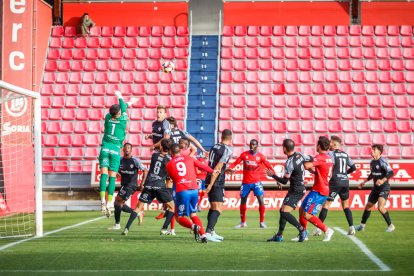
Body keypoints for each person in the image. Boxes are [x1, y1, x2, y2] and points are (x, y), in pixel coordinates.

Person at [122, 139, 175, 236]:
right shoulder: (169, 160)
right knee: (172, 207)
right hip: (159, 186)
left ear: (161, 147)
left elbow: (156, 153)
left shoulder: (154, 155)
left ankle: (126, 228)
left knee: (138, 208)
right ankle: (164, 229)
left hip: (149, 185)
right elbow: (170, 176)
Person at [166, 143, 217, 243]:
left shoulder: (169, 164)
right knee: (193, 214)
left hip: (182, 190)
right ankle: (203, 236)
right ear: (180, 151)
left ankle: (193, 227)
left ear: (170, 152)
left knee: (179, 217)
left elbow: (173, 179)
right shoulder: (190, 158)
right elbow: (201, 166)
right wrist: (213, 171)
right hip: (194, 190)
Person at [99, 91, 136, 217]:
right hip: (115, 150)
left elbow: (122, 108)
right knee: (112, 177)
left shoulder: (108, 117)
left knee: (104, 175)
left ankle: (102, 201)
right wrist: (120, 96)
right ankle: (109, 203)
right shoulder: (123, 120)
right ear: (119, 113)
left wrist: (128, 102)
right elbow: (123, 108)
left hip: (104, 149)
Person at [265, 139, 311, 243]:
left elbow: (285, 181)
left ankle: (302, 229)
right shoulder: (300, 155)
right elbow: (311, 158)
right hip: (296, 188)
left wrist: (273, 176)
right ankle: (279, 235)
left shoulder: (289, 162)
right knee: (282, 210)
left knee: (284, 212)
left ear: (285, 148)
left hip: (297, 190)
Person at [313, 136, 357, 236]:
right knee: (346, 206)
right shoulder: (345, 154)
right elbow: (353, 167)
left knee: (326, 205)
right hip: (345, 182)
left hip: (335, 182)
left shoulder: (331, 154)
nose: (329, 145)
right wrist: (345, 173)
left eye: (331, 143)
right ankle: (352, 228)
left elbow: (327, 165)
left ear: (335, 144)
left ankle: (318, 229)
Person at [227, 139, 274, 229]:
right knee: (243, 200)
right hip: (245, 183)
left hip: (256, 182)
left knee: (261, 200)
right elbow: (235, 163)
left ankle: (262, 222)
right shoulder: (244, 155)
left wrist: (277, 178)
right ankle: (243, 222)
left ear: (257, 145)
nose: (252, 146)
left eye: (254, 144)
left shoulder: (261, 157)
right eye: (251, 144)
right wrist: (228, 169)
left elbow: (269, 166)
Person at [298, 136, 335, 242]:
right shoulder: (327, 158)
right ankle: (303, 234)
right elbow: (317, 170)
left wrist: (302, 159)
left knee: (307, 214)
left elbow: (307, 165)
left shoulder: (320, 157)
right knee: (302, 209)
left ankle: (327, 230)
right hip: (317, 189)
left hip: (320, 191)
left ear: (318, 146)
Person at [355, 144, 395, 232]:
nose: (372, 151)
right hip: (376, 188)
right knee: (368, 206)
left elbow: (391, 172)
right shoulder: (372, 162)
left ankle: (391, 225)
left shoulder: (382, 161)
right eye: (372, 149)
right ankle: (362, 226)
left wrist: (382, 180)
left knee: (380, 207)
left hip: (384, 187)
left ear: (379, 152)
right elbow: (372, 174)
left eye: (374, 150)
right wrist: (364, 182)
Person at [109, 143, 148, 230]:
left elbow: (145, 171)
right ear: (123, 149)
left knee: (117, 202)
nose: (127, 149)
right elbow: (116, 170)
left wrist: (142, 184)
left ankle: (117, 225)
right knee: (119, 204)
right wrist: (117, 173)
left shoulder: (135, 161)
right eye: (125, 147)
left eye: (129, 148)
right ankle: (138, 212)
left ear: (131, 150)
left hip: (131, 185)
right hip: (124, 185)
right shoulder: (120, 160)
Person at [204, 129, 233, 242]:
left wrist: (225, 169)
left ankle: (211, 231)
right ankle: (208, 232)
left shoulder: (214, 146)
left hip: (210, 177)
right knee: (218, 208)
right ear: (230, 139)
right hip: (216, 181)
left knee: (213, 207)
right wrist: (211, 184)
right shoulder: (227, 150)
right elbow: (217, 168)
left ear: (221, 137)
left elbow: (214, 164)